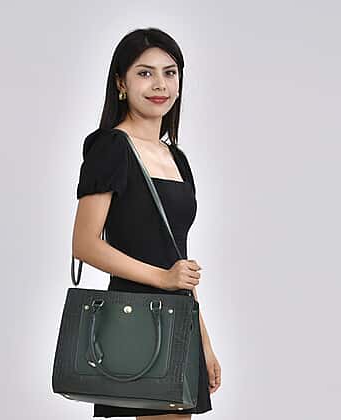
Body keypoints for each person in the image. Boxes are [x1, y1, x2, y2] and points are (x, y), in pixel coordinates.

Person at [72, 27, 221, 419]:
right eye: (145, 73)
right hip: (135, 317)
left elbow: (177, 258)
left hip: (179, 317)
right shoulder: (111, 147)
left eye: (170, 73)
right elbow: (85, 243)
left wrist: (204, 341)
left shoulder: (176, 158)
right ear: (121, 83)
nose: (160, 84)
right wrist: (163, 279)